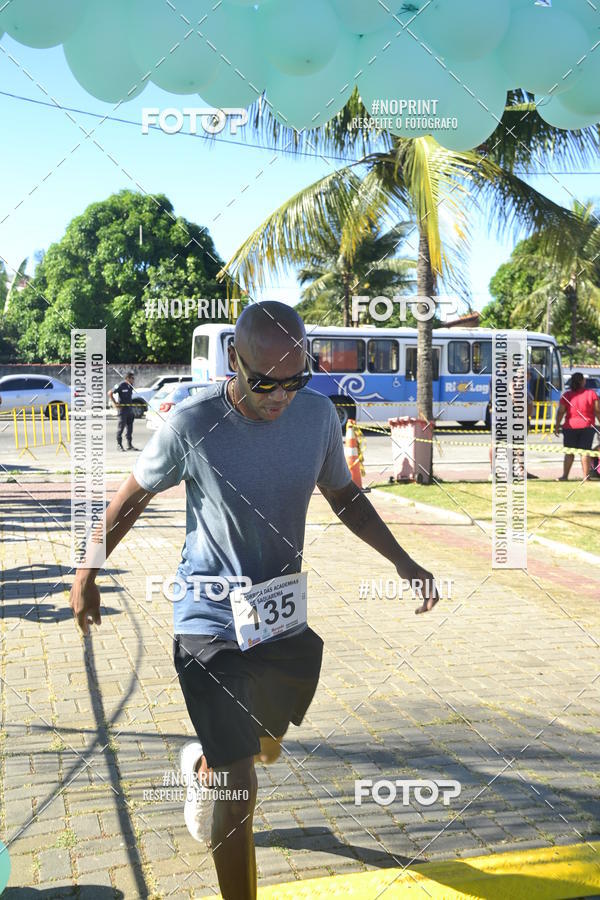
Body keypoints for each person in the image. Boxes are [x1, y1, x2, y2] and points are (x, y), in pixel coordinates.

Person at [69, 302, 439, 900]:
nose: (280, 396)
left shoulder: (317, 418)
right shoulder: (192, 423)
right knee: (242, 784)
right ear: (234, 360)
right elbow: (133, 496)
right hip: (207, 616)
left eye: (296, 381)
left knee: (262, 752)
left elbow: (344, 497)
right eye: (265, 381)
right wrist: (87, 567)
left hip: (278, 618)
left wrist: (402, 561)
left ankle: (200, 768)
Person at [554, 372, 600, 481]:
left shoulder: (566, 395)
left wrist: (556, 426)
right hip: (587, 427)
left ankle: (565, 476)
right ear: (583, 381)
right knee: (585, 452)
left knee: (569, 452)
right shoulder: (591, 394)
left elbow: (561, 411)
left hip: (570, 427)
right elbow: (597, 411)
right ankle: (585, 477)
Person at [108, 372, 139, 451]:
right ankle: (119, 445)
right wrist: (115, 403)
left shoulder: (130, 386)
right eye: (132, 378)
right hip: (122, 410)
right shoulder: (121, 385)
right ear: (128, 378)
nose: (133, 380)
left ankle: (129, 445)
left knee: (130, 428)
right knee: (121, 428)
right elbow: (110, 393)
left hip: (129, 410)